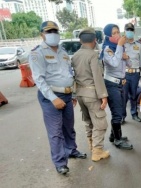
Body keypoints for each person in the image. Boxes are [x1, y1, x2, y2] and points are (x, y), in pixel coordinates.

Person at [29, 21, 86, 175]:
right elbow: (38, 79)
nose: (53, 34)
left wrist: (72, 93)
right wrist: (53, 98)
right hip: (50, 97)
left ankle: (71, 150)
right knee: (55, 131)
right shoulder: (37, 53)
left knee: (69, 127)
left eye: (55, 30)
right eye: (49, 31)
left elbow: (69, 74)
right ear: (42, 34)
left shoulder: (63, 51)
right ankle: (60, 162)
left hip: (67, 95)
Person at [71, 28, 110, 162]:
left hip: (80, 93)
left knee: (88, 121)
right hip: (92, 94)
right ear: (95, 41)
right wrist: (103, 96)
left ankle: (92, 146)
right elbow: (97, 76)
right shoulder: (93, 55)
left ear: (81, 40)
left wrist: (74, 94)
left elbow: (73, 76)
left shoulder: (75, 55)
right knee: (100, 123)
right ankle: (97, 151)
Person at [101, 23, 133, 150]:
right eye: (114, 33)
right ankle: (118, 140)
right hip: (112, 84)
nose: (117, 35)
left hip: (121, 83)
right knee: (117, 113)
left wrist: (126, 56)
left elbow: (130, 64)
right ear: (108, 35)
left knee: (119, 110)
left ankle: (113, 136)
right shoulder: (108, 49)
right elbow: (114, 63)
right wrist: (120, 47)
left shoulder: (120, 48)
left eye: (118, 32)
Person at [122, 23, 141, 123]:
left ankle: (134, 114)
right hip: (124, 74)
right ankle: (122, 116)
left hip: (135, 74)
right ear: (124, 31)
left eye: (131, 30)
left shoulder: (139, 46)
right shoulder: (122, 44)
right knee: (123, 96)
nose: (129, 31)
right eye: (127, 29)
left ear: (133, 32)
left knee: (133, 96)